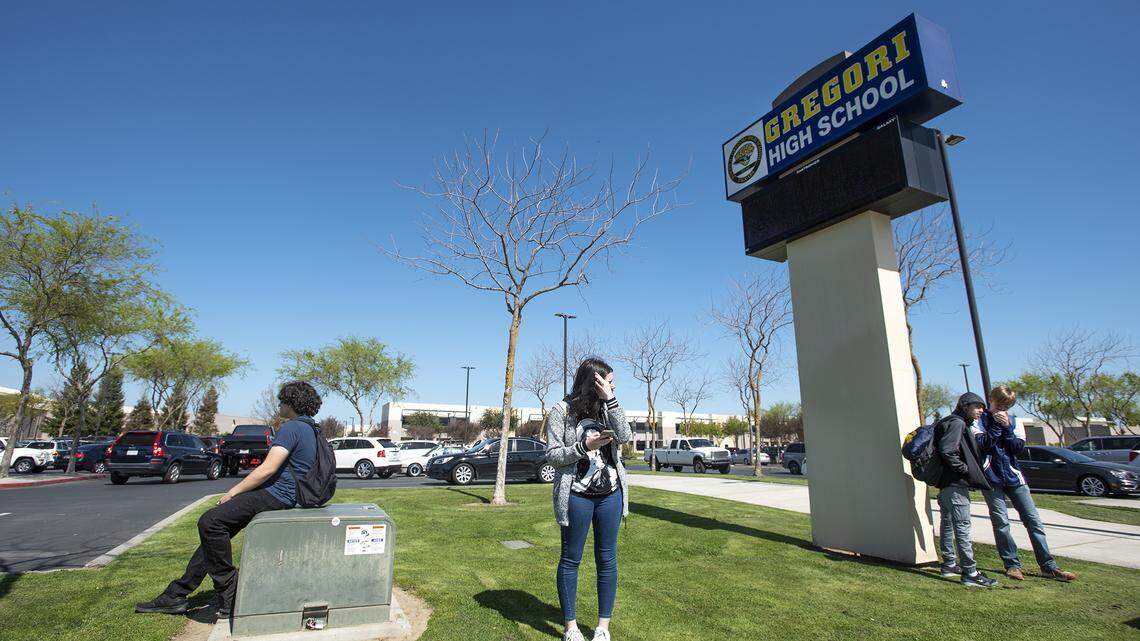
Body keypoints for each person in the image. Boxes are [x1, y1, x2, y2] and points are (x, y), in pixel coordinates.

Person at [135, 381, 324, 617]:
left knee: (210, 522)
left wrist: (234, 492)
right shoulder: (311, 428)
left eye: (282, 400)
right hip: (289, 494)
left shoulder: (291, 428)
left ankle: (228, 589)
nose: (279, 404)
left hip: (278, 495)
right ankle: (176, 595)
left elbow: (268, 469)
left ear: (291, 402)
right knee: (213, 536)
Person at [545, 358, 632, 641]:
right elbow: (554, 455)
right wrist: (584, 446)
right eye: (609, 380)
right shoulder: (562, 411)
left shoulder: (609, 407)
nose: (613, 384)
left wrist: (612, 400)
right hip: (576, 495)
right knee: (571, 559)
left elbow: (625, 437)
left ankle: (602, 628)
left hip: (611, 495)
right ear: (593, 381)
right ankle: (571, 628)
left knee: (607, 559)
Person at [975, 385, 1077, 582]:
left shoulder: (1015, 422)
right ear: (992, 399)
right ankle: (1012, 564)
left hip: (1014, 478)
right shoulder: (979, 421)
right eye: (1000, 403)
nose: (1002, 408)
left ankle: (1048, 565)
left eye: (1007, 405)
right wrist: (996, 425)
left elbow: (1017, 448)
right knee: (1001, 523)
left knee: (1033, 521)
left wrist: (1006, 428)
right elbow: (983, 444)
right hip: (991, 478)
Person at [934, 391, 998, 588]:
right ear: (964, 406)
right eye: (977, 406)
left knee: (947, 523)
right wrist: (965, 470)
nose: (981, 411)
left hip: (946, 483)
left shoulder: (949, 422)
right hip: (955, 483)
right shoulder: (958, 423)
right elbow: (948, 450)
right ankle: (970, 572)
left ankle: (950, 564)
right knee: (962, 526)